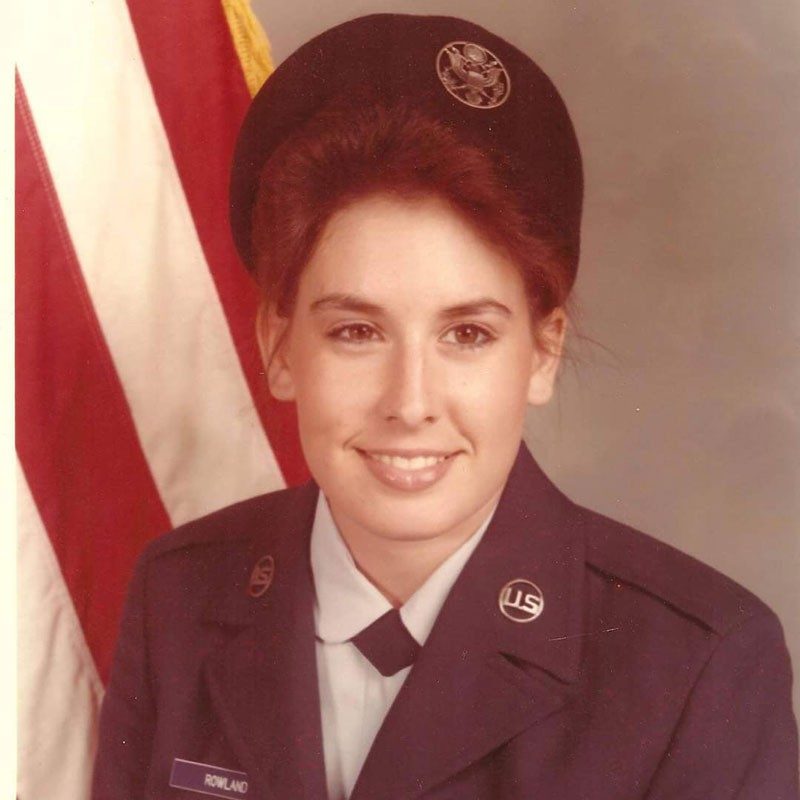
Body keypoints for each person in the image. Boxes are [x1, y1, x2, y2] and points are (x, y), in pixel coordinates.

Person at [92, 13, 798, 800]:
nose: (410, 401)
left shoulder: (694, 667)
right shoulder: (178, 599)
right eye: (357, 331)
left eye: (467, 333)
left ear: (543, 352)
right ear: (279, 348)